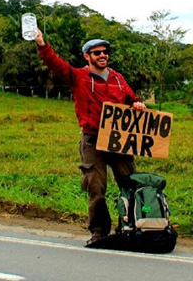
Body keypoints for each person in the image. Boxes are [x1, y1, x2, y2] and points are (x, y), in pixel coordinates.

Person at [34, 28, 146, 247]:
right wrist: (41, 43)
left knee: (131, 183)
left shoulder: (118, 78)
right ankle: (99, 233)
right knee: (96, 188)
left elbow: (132, 99)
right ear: (87, 56)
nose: (102, 55)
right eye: (97, 53)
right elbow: (55, 64)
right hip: (93, 140)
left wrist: (137, 104)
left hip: (118, 139)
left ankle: (134, 227)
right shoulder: (79, 76)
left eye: (105, 52)